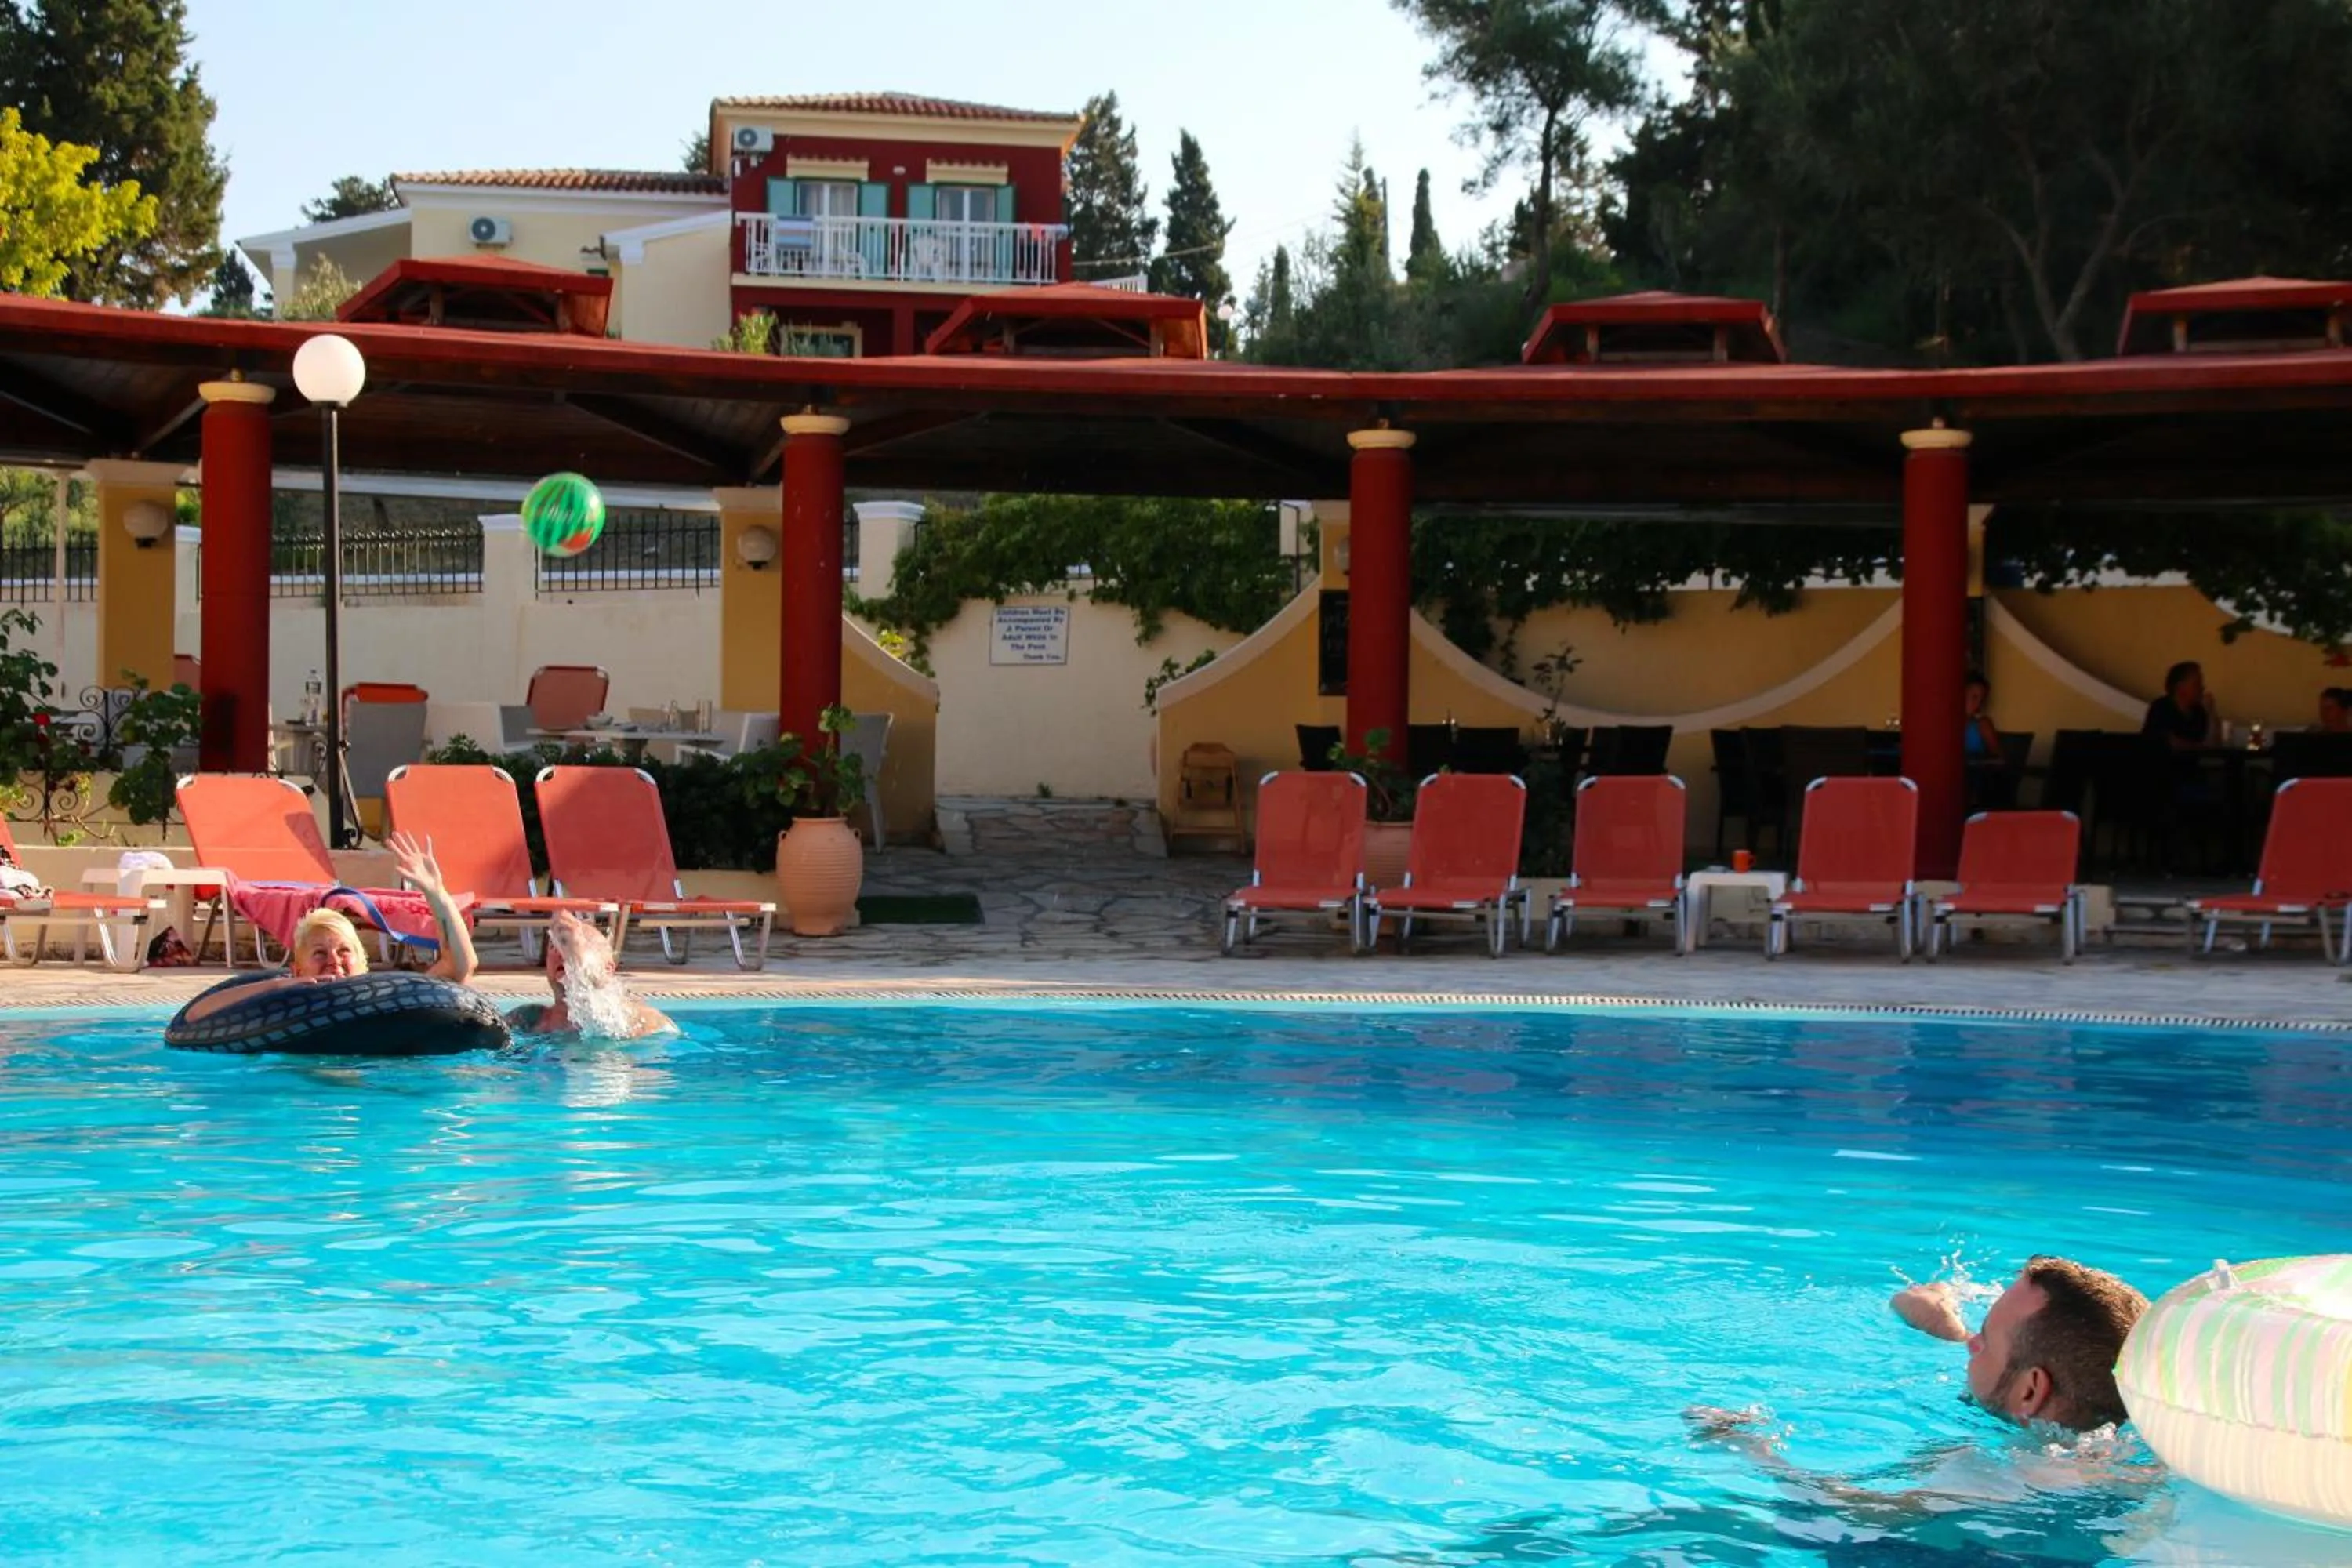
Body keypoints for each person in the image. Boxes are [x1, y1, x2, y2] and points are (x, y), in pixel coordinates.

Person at [1889, 1256, 2149, 1432]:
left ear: (2030, 1392)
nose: (1972, 1345)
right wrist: (1941, 1325)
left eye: (1985, 1340)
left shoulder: (1988, 1479)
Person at [285, 830, 477, 984]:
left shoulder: (385, 1000)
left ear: (363, 965)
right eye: (320, 953)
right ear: (297, 971)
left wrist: (437, 894)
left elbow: (458, 967)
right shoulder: (281, 1007)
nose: (334, 961)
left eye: (344, 951)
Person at [507, 909, 672, 1039]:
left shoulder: (643, 1019)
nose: (560, 954)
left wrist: (583, 969)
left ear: (608, 969)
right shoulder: (527, 1018)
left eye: (567, 946)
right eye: (555, 947)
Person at [2141, 661, 2216, 753]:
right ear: (2181, 687)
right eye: (2196, 684)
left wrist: (2211, 713)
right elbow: (2169, 743)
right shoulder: (2162, 708)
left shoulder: (2198, 712)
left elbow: (2213, 747)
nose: (2202, 688)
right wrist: (2199, 748)